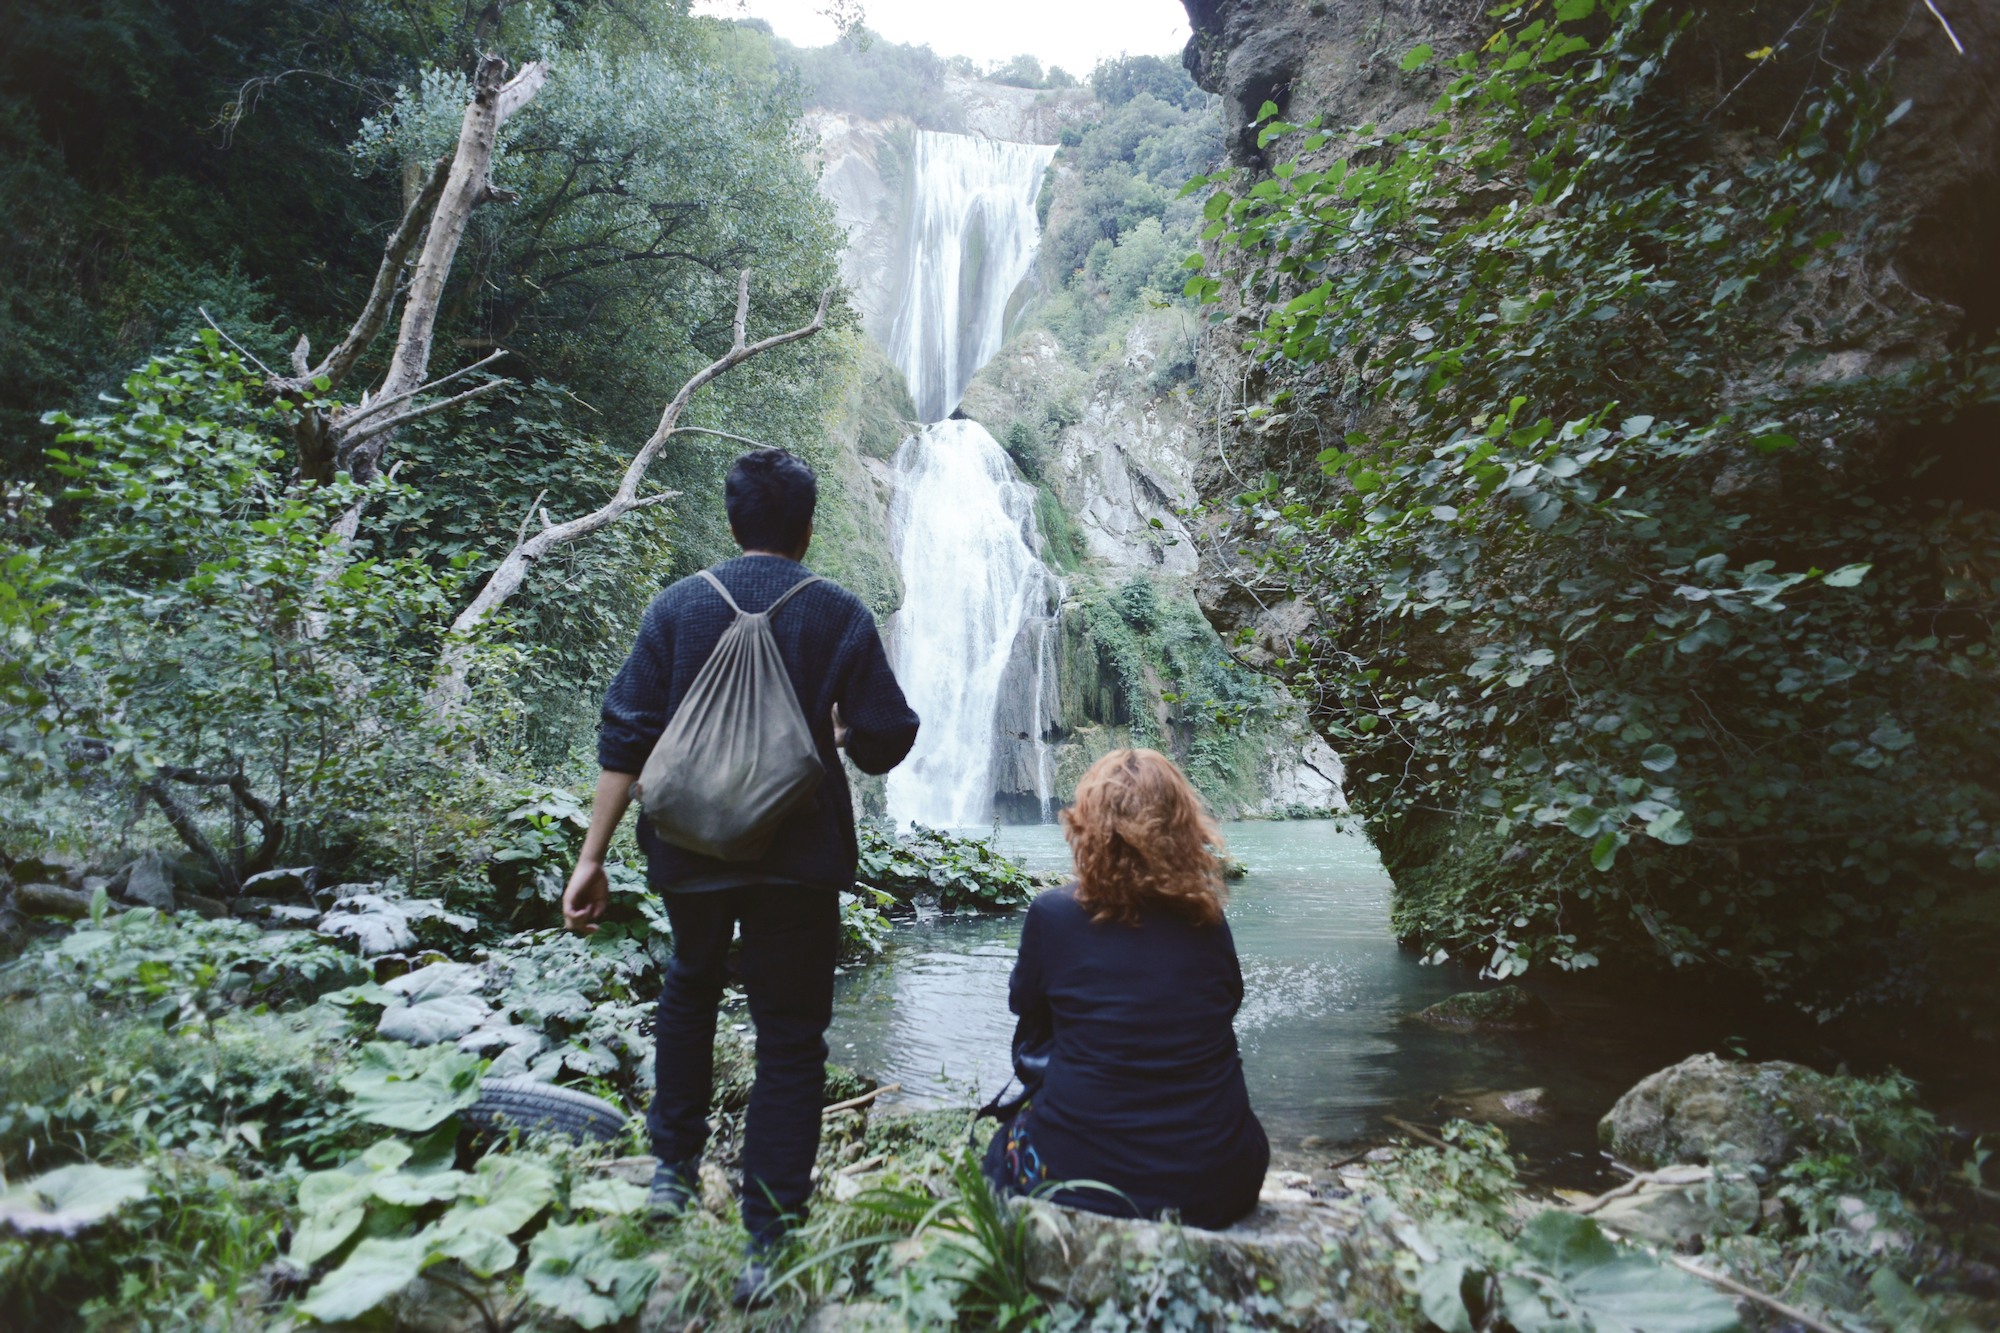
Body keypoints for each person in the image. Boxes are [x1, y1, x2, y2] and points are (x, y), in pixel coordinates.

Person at [561, 448, 919, 1303]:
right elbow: (886, 735)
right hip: (798, 862)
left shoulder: (680, 605)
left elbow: (626, 734)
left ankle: (671, 1173)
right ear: (807, 528)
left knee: (688, 988)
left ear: (732, 524)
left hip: (687, 849)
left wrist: (592, 854)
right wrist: (834, 733)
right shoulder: (836, 612)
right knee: (791, 1034)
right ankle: (768, 1235)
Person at [984, 748, 1269, 1230]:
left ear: (1088, 825)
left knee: (998, 1151)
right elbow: (1228, 1003)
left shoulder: (1052, 915)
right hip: (1219, 1182)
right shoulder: (1207, 920)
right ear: (1183, 827)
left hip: (1081, 1176)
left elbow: (1024, 1006)